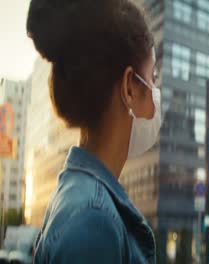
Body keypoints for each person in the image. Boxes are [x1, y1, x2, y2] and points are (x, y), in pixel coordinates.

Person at [26, 0, 160, 263]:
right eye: (153, 76)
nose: (156, 93)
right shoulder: (93, 220)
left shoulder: (80, 198)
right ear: (130, 87)